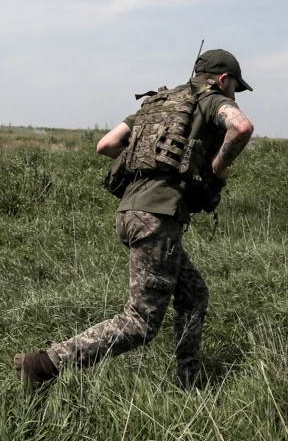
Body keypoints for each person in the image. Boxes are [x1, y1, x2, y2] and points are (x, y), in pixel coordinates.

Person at [14, 49, 255, 388]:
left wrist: (152, 157)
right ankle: (44, 364)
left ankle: (189, 382)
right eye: (235, 87)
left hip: (130, 212)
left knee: (194, 295)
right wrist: (217, 167)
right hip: (158, 218)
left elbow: (106, 145)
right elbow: (241, 127)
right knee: (141, 322)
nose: (235, 94)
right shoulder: (213, 100)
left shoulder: (159, 102)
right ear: (222, 79)